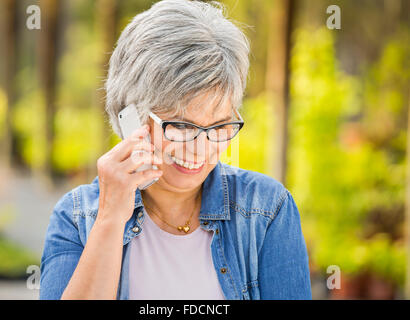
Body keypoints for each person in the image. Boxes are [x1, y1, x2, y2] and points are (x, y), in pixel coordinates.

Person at [39, 0, 311, 300]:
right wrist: (110, 219)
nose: (201, 149)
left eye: (219, 126)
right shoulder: (77, 217)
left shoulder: (267, 210)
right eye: (181, 126)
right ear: (131, 117)